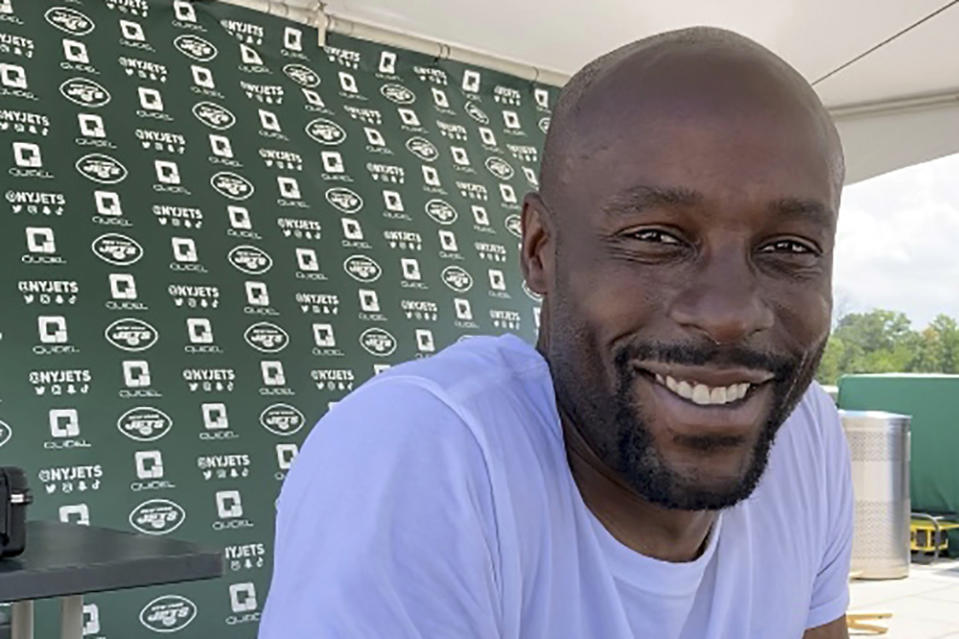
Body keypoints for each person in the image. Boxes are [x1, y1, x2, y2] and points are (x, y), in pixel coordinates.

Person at [259, 25, 852, 639]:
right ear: (541, 250)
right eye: (656, 238)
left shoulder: (804, 437)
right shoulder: (425, 456)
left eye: (789, 247)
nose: (731, 314)